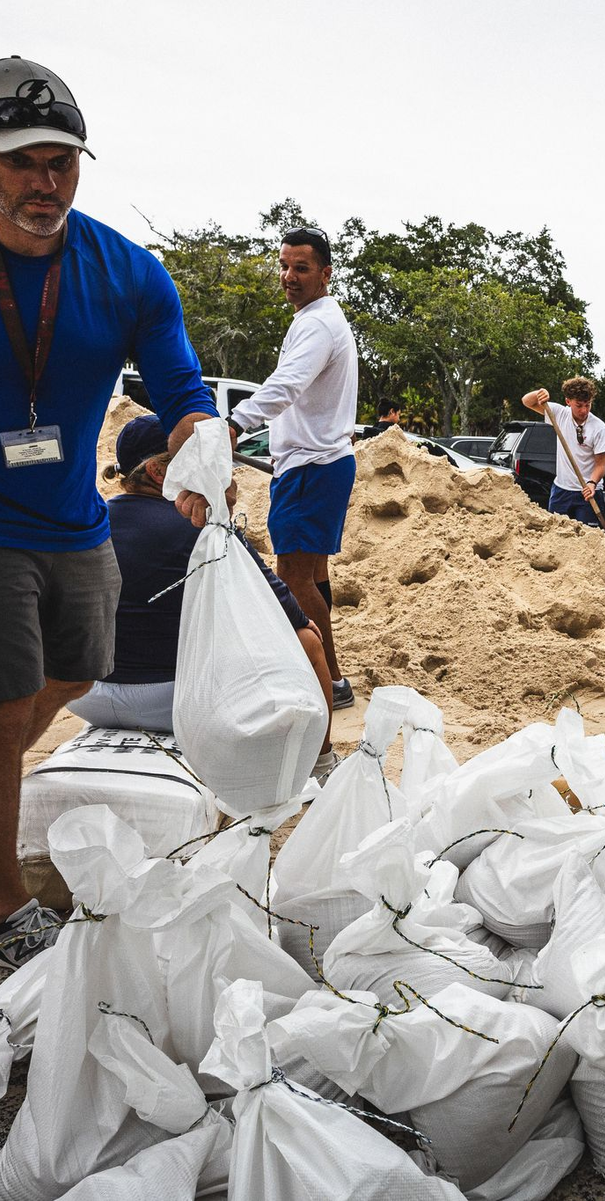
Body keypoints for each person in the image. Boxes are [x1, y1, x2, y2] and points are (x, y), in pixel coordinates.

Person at [0, 55, 225, 966]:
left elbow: (178, 384)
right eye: (22, 162)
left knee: (72, 680)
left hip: (77, 523)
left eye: (61, 162)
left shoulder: (127, 272)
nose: (44, 183)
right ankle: (9, 909)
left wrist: (202, 441)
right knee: (10, 703)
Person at [67, 415, 337, 778]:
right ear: (159, 473)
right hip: (170, 700)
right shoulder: (200, 525)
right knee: (308, 641)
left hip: (85, 694)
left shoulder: (87, 521)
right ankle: (322, 766)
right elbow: (286, 609)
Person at [226, 226, 358, 711]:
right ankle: (332, 673)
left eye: (301, 268)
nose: (289, 277)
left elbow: (287, 384)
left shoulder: (318, 325)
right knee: (313, 573)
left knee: (295, 576)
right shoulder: (316, 319)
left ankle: (330, 678)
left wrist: (235, 423)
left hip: (312, 466)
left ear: (325, 273)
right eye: (284, 266)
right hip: (318, 463)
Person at [521, 376, 605, 526]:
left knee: (587, 539)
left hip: (587, 493)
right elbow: (527, 401)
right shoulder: (559, 413)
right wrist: (540, 393)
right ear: (568, 401)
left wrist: (592, 483)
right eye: (579, 405)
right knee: (556, 533)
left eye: (588, 405)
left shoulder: (599, 428)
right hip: (561, 490)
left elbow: (601, 465)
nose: (584, 410)